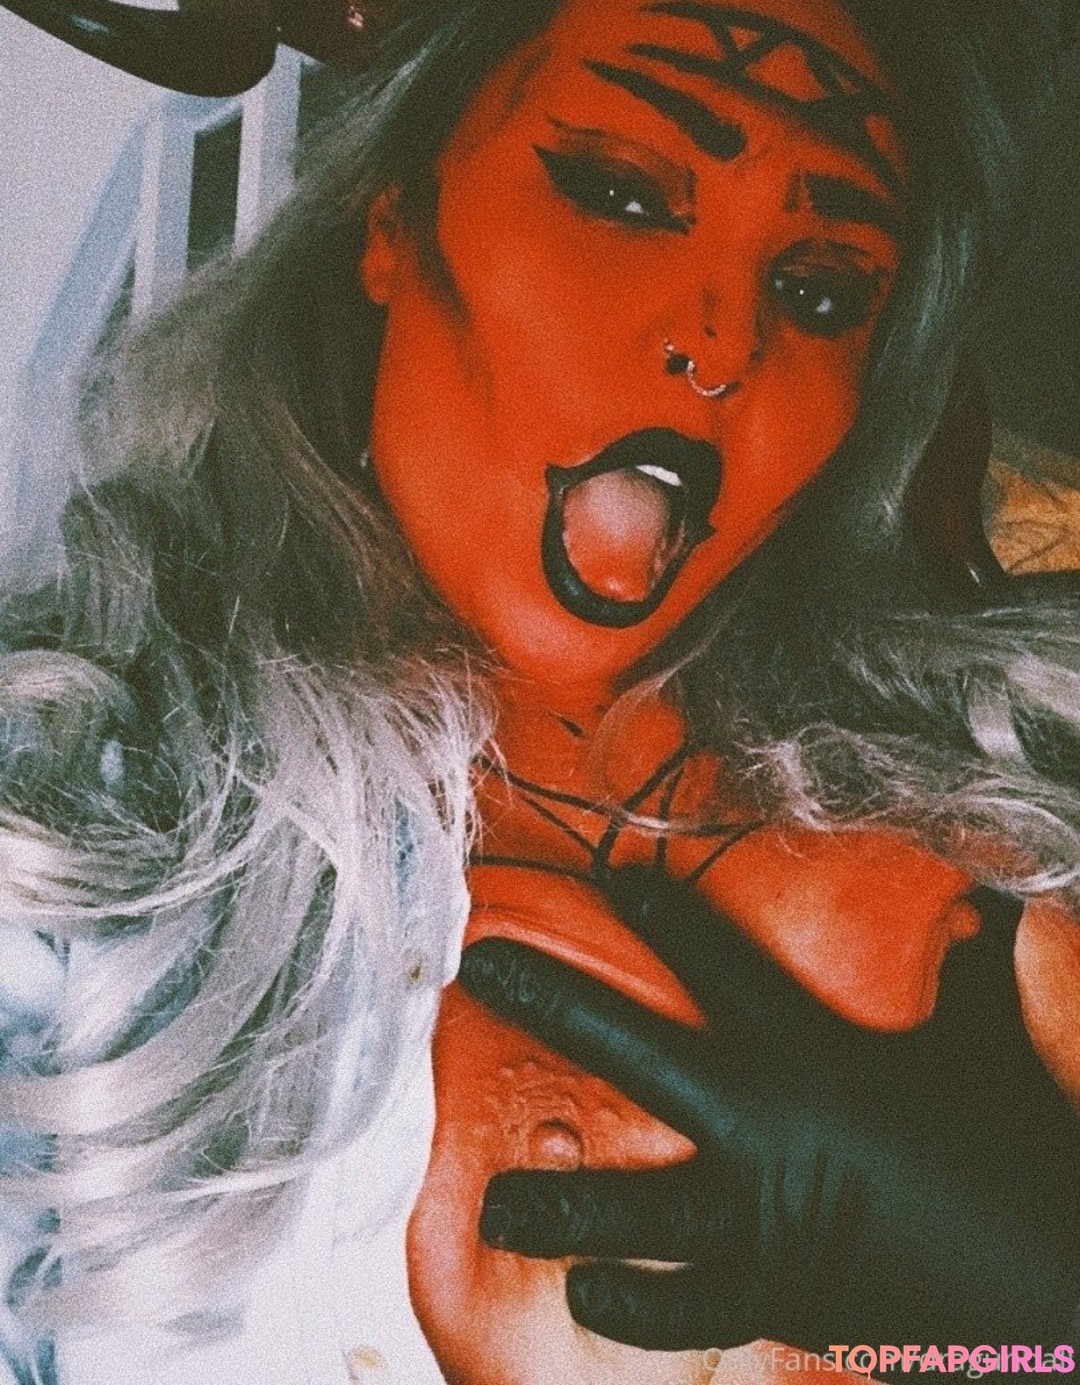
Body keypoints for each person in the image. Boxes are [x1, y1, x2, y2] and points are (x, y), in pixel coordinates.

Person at [0, 0, 1076, 1380]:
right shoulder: (66, 853)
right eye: (622, 193)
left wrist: (1036, 1321)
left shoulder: (1013, 766)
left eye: (819, 289)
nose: (721, 342)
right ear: (394, 217)